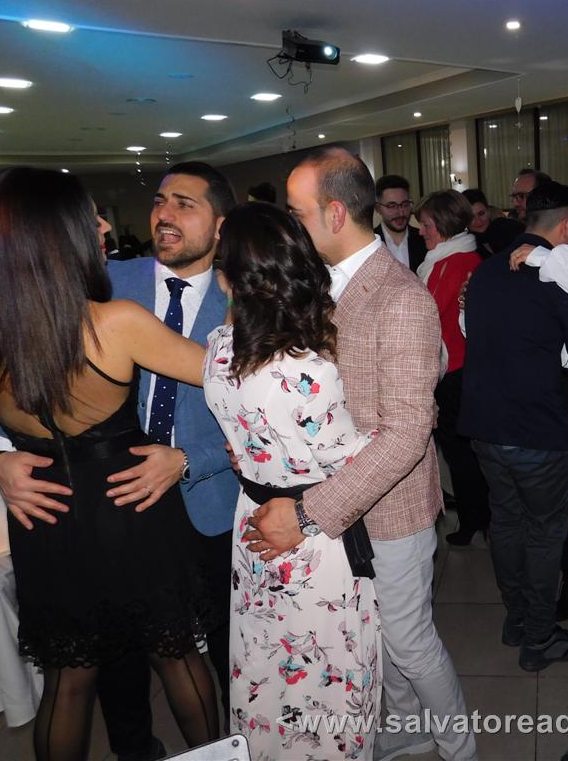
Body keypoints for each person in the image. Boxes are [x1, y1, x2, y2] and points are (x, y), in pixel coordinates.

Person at [0, 161, 240, 761]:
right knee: (177, 657)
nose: (104, 226)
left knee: (67, 681)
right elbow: (227, 375)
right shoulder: (116, 315)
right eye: (89, 217)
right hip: (129, 511)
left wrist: (3, 449)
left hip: (51, 523)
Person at [246, 149, 476, 761]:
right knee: (379, 638)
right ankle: (407, 727)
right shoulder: (320, 285)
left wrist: (308, 512)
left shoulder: (398, 297)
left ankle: (460, 747)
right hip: (342, 504)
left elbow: (406, 434)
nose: (290, 225)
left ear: (335, 213)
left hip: (390, 507)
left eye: (297, 213)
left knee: (410, 642)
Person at [204, 202, 380, 760]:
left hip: (252, 519)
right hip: (309, 535)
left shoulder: (218, 348)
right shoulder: (307, 368)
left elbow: (244, 433)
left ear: (230, 280)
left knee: (265, 666)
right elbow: (350, 459)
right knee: (324, 671)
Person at [460, 181, 568, 672]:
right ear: (567, 227)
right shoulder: (559, 276)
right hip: (536, 428)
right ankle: (539, 637)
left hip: (485, 426)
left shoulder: (485, 272)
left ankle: (516, 620)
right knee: (545, 536)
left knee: (506, 525)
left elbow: (471, 334)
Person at [414, 190, 490, 546]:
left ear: (443, 224)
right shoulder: (449, 258)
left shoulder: (457, 262)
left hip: (456, 373)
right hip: (456, 370)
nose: (420, 232)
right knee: (462, 452)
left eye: (426, 225)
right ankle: (476, 516)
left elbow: (426, 314)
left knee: (462, 452)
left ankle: (476, 518)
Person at [373, 174, 427, 273]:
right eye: (392, 206)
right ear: (378, 208)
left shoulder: (425, 240)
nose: (401, 213)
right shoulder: (370, 244)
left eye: (405, 205)